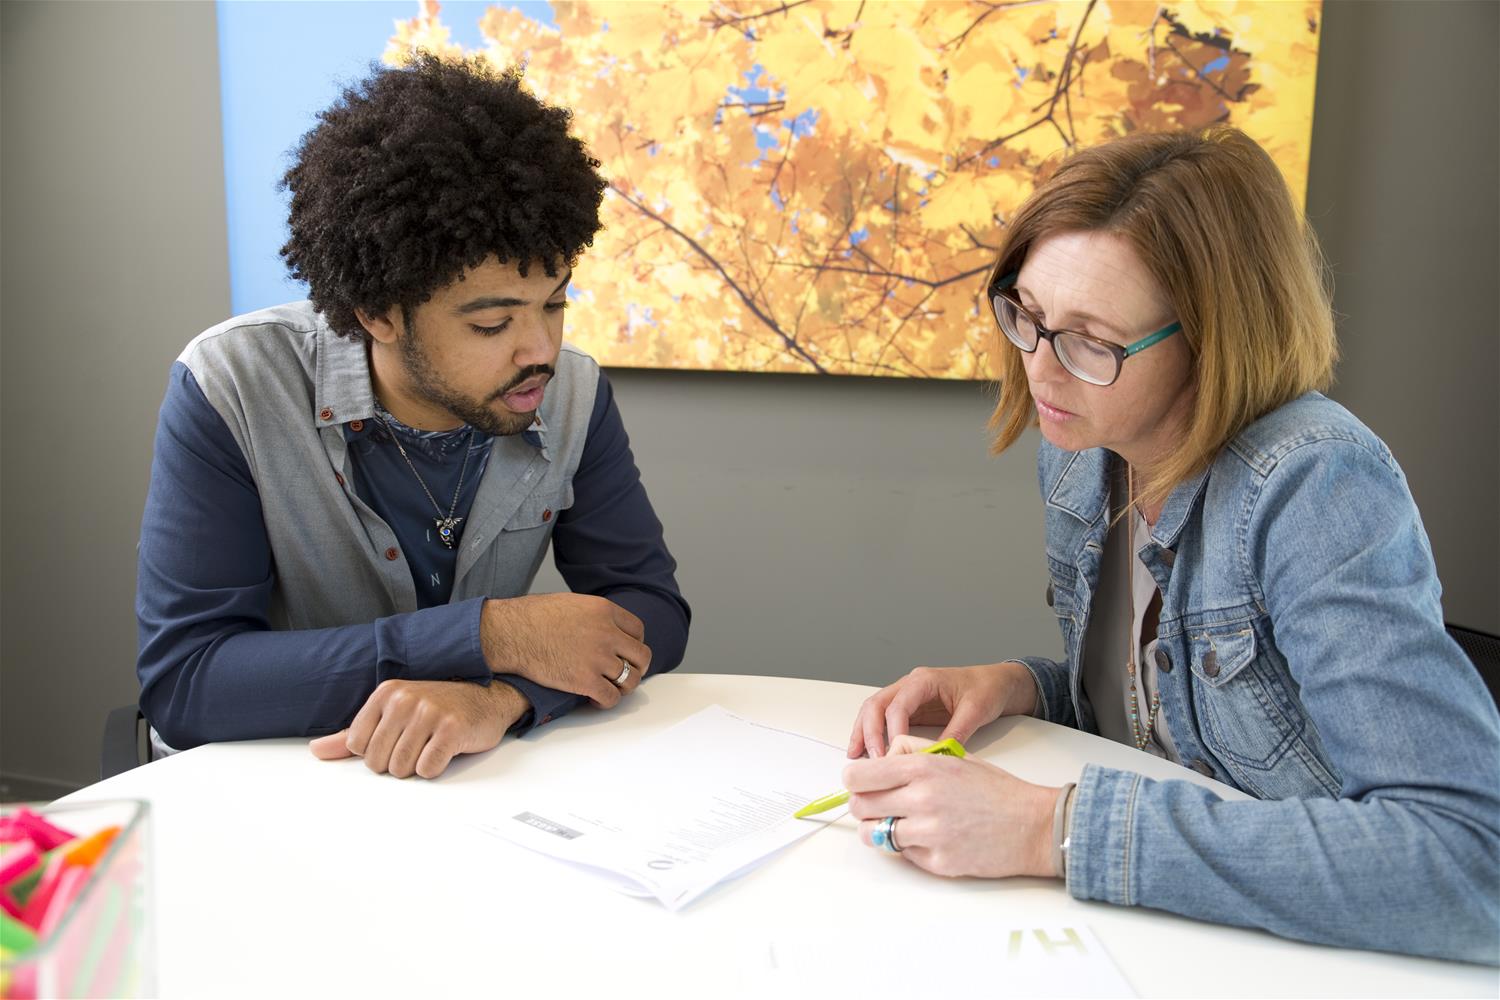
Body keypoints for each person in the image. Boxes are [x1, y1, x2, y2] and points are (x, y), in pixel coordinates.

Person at [842, 127, 1499, 963]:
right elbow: (1166, 724)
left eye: (1091, 340)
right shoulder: (1086, 449)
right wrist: (1022, 687)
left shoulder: (1314, 485)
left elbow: (1470, 857)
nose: (1041, 370)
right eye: (1030, 317)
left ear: (1212, 338)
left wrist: (1051, 829)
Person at [136, 56, 689, 779]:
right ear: (378, 315)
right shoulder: (232, 384)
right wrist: (489, 633)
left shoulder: (574, 391)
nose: (542, 350)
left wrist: (504, 697)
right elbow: (189, 681)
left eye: (554, 303)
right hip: (261, 783)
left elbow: (652, 613)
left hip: (464, 781)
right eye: (492, 324)